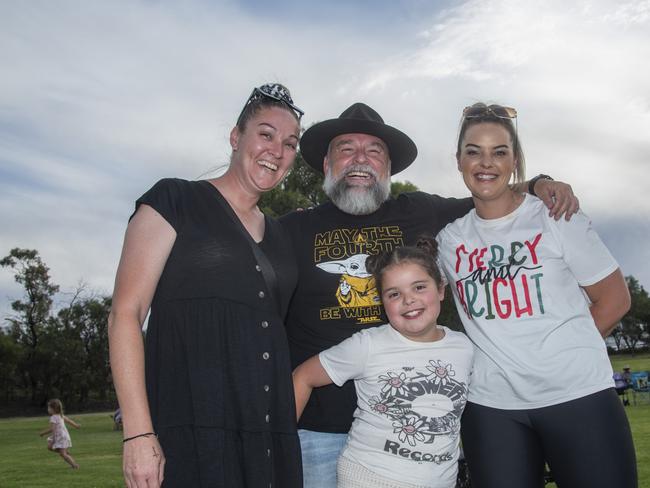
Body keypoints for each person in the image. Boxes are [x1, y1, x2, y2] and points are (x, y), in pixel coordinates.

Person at [280, 102, 579, 487]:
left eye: (374, 151)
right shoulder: (289, 230)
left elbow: (490, 192)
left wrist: (537, 183)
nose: (360, 159)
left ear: (388, 168)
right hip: (318, 432)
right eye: (346, 149)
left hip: (410, 438)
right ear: (327, 164)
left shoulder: (420, 210)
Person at [108, 83, 304, 488]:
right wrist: (139, 434)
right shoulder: (174, 200)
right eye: (265, 134)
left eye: (289, 143)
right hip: (194, 432)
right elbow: (125, 314)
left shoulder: (283, 237)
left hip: (269, 438)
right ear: (236, 137)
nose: (276, 151)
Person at [436, 103, 637, 488]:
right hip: (492, 407)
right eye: (473, 151)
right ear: (458, 160)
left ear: (515, 161)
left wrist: (557, 357)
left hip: (578, 395)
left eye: (499, 151)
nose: (486, 162)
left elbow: (615, 300)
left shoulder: (555, 216)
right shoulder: (450, 239)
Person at [293, 237, 474, 488]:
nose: (408, 300)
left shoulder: (463, 346)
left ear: (441, 289)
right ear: (382, 302)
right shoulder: (367, 345)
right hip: (369, 478)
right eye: (394, 294)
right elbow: (303, 377)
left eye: (419, 287)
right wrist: (279, 446)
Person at [39, 398, 81, 469]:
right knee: (50, 447)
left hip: (60, 437)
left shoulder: (54, 418)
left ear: (54, 409)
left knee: (62, 454)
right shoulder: (60, 415)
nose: (48, 409)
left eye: (49, 408)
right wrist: (76, 425)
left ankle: (74, 465)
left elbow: (52, 429)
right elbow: (69, 421)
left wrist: (43, 433)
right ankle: (65, 453)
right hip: (62, 436)